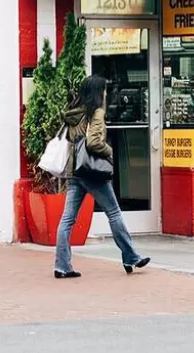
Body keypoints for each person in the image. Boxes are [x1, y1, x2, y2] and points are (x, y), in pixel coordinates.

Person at [55, 75, 150, 278]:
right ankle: (131, 256)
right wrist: (110, 151)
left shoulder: (74, 112)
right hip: (93, 173)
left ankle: (62, 266)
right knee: (114, 213)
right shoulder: (96, 112)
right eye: (104, 90)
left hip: (76, 171)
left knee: (67, 220)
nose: (106, 94)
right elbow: (93, 142)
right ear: (98, 93)